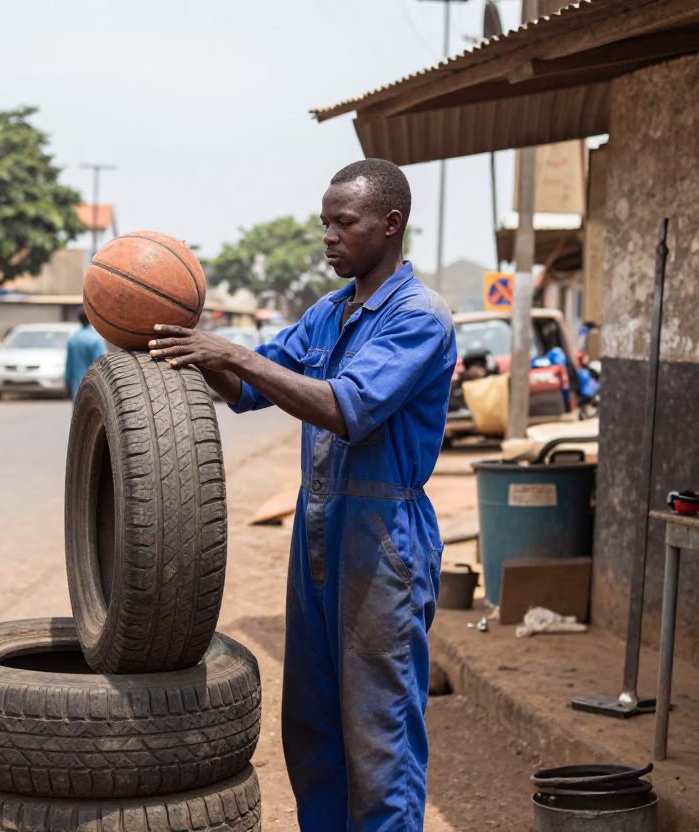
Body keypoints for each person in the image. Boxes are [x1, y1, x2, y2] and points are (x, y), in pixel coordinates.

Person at [147, 159, 456, 831]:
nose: (328, 236)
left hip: (382, 544)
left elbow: (347, 408)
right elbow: (249, 389)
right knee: (313, 729)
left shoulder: (418, 317)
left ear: (390, 224)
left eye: (343, 223)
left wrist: (236, 355)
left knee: (379, 739)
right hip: (318, 536)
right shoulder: (327, 315)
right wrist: (181, 344)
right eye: (324, 222)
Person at [64, 312, 107, 398]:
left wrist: (67, 382)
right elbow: (101, 363)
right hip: (94, 385)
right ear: (91, 318)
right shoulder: (96, 339)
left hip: (77, 386)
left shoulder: (73, 339)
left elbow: (69, 364)